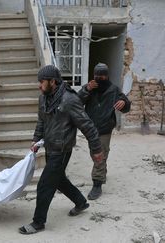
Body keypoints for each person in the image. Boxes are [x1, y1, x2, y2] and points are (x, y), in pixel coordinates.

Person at [19, 65, 104, 234]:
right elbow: (41, 121)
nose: (39, 85)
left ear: (53, 82)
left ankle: (38, 222)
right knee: (58, 180)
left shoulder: (70, 100)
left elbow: (88, 126)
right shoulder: (43, 98)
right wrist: (36, 139)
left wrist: (96, 149)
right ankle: (81, 202)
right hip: (50, 146)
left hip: (62, 149)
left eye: (42, 82)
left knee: (45, 184)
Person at [78, 63, 131, 200]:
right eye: (97, 75)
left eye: (102, 75)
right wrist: (86, 89)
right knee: (94, 153)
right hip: (90, 128)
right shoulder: (90, 88)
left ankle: (97, 184)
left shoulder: (113, 90)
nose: (99, 78)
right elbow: (77, 102)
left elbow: (126, 103)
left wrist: (124, 103)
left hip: (105, 128)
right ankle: (102, 170)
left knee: (100, 155)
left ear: (107, 76)